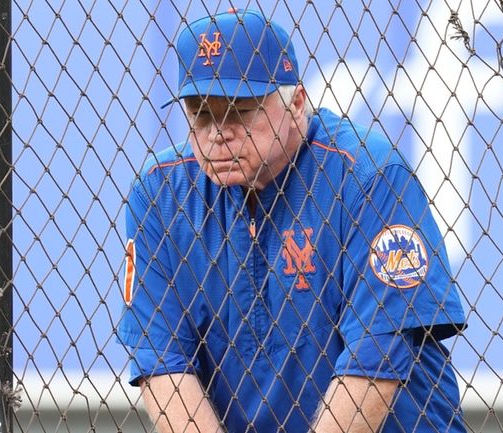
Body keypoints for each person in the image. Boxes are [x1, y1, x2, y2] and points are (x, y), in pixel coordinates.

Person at [118, 8, 466, 433]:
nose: (217, 133)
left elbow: (373, 367)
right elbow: (166, 371)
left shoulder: (368, 178)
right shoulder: (160, 193)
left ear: (297, 102)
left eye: (239, 110)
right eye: (201, 112)